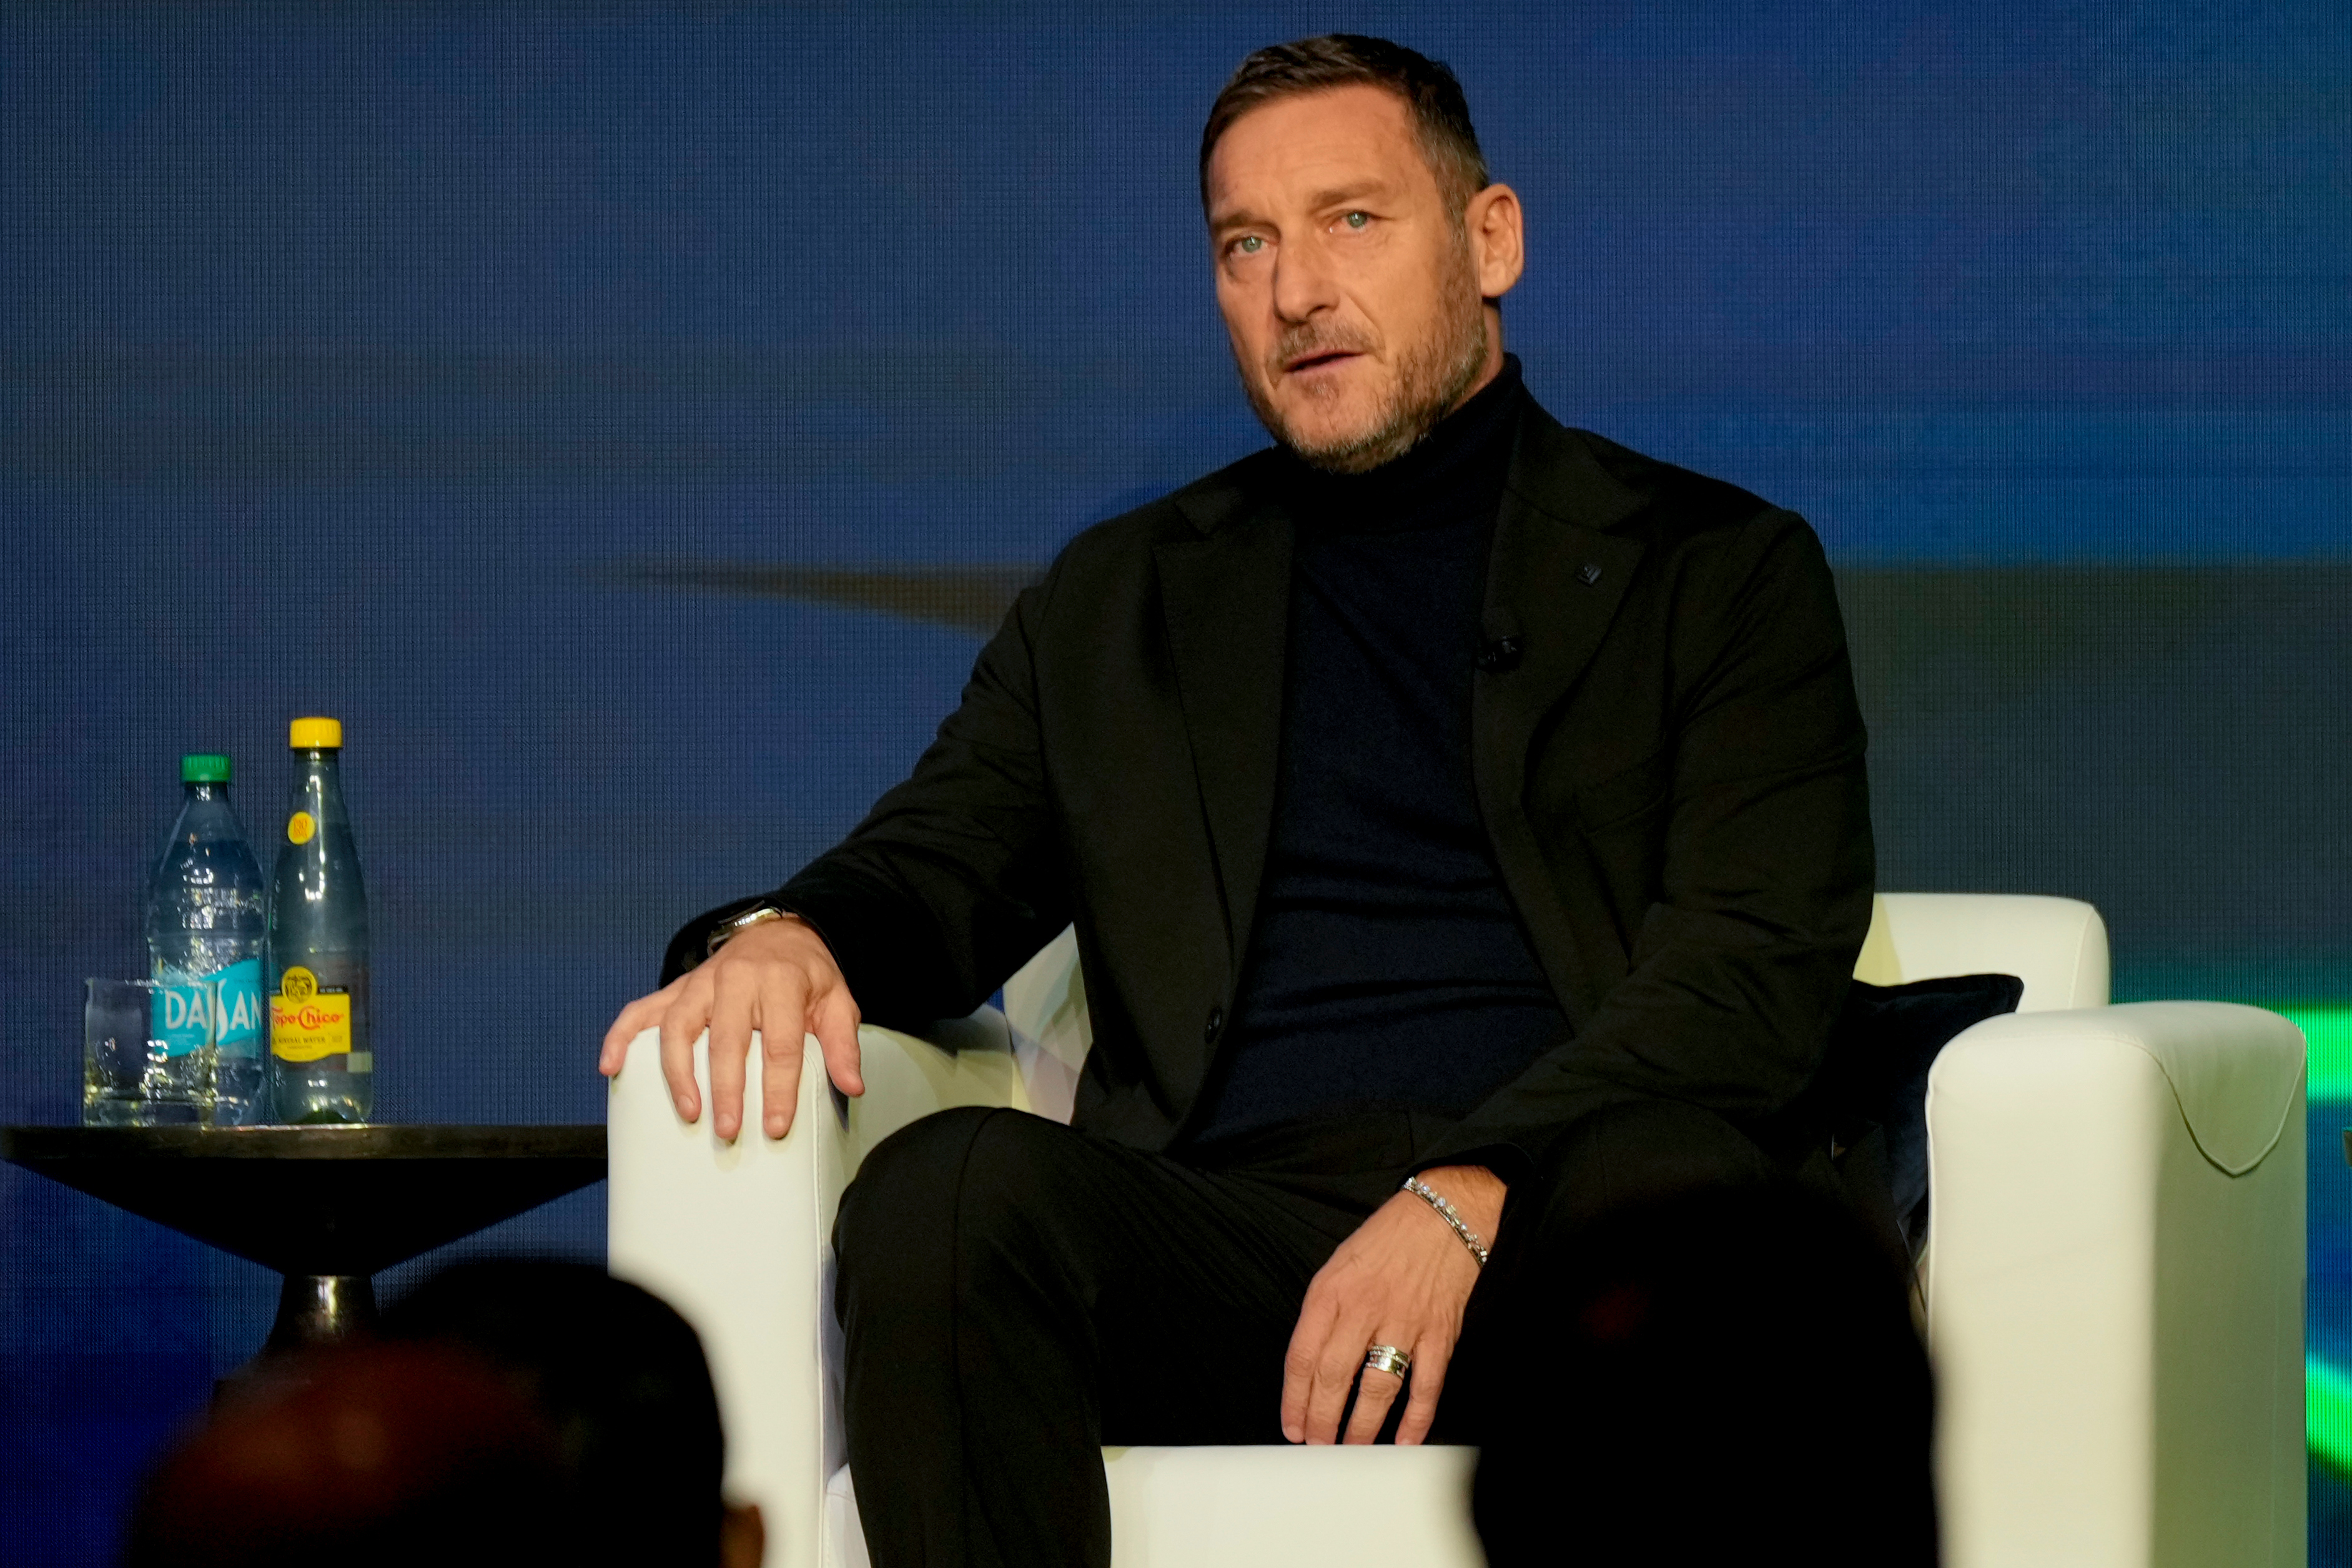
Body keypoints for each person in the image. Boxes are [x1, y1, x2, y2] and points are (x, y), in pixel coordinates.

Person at [601, 32, 1884, 1568]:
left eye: (1350, 220)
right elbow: (938, 862)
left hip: (1573, 1224)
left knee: (1686, 1203)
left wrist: (1471, 1181)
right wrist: (786, 932)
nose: (1293, 291)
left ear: (1491, 241)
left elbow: (1753, 959)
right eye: (1243, 243)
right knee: (942, 1193)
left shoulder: (1714, 568)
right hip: (1242, 1238)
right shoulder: (1124, 600)